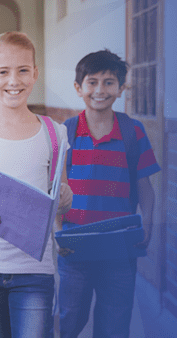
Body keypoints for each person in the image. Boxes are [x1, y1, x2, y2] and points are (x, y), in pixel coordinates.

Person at [0, 31, 73, 338]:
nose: (14, 80)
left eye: (23, 70)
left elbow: (62, 193)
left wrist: (63, 197)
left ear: (35, 73)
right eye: (3, 72)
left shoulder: (54, 133)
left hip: (35, 269)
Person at [57, 49, 160, 338]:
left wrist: (147, 229)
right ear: (79, 88)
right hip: (75, 246)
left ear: (121, 88)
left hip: (120, 246)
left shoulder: (132, 131)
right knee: (69, 320)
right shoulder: (67, 132)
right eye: (92, 82)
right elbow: (55, 192)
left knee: (114, 322)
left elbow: (145, 190)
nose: (100, 90)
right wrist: (57, 234)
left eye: (109, 82)